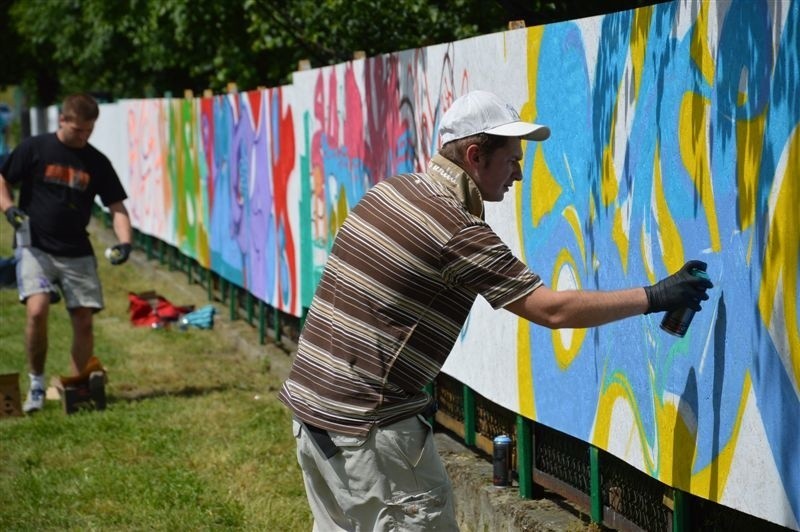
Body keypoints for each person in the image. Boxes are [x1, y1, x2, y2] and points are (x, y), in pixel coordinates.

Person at [278, 90, 713, 530]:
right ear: (474, 156)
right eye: (511, 160)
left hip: (313, 416)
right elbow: (552, 310)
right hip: (368, 434)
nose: (519, 175)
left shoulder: (391, 191)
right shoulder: (455, 229)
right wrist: (655, 297)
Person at [0, 92, 133, 414]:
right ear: (62, 120)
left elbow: (117, 207)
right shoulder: (35, 148)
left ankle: (76, 387)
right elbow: (2, 177)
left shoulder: (97, 162)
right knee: (37, 309)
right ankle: (35, 382)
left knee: (84, 320)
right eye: (77, 130)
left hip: (77, 249)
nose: (83, 137)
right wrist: (9, 208)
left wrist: (125, 242)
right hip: (35, 246)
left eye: (89, 131)